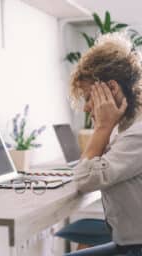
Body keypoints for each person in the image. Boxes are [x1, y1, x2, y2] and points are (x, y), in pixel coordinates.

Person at [70, 32, 142, 256]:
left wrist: (102, 127)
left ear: (112, 89)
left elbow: (85, 179)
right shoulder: (124, 128)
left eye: (88, 97)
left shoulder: (137, 134)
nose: (86, 107)